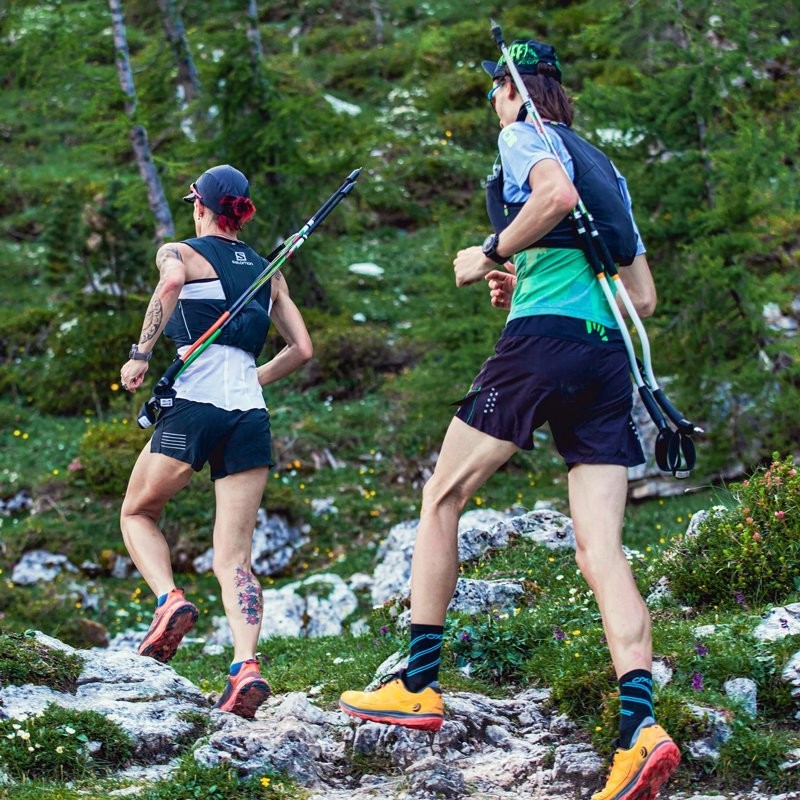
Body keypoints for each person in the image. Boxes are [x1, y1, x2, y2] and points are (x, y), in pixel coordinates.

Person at [339, 40, 681, 799]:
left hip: (540, 346)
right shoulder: (608, 169)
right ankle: (639, 729)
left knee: (442, 496)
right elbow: (642, 297)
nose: (496, 104)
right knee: (601, 548)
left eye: (496, 92)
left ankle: (417, 686)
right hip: (605, 357)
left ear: (512, 91)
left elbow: (551, 197)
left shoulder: (523, 134)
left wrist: (487, 251)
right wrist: (521, 274)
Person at [119, 164, 312, 719]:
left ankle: (169, 600)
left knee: (138, 512)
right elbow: (302, 349)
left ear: (200, 205)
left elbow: (170, 286)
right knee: (235, 559)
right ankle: (245, 666)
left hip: (195, 402)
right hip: (249, 413)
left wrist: (140, 354)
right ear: (241, 213)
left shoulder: (179, 251)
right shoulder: (269, 271)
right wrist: (252, 378)